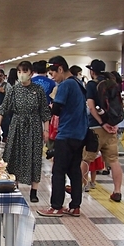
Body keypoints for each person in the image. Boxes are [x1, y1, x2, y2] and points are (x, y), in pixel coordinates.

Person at [0, 61, 51, 203]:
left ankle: (34, 190)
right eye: (19, 71)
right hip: (16, 126)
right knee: (13, 156)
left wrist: (46, 130)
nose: (21, 74)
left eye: (24, 71)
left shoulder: (38, 90)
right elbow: (3, 108)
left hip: (34, 127)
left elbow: (45, 111)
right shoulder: (14, 90)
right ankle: (14, 186)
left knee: (34, 157)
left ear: (31, 73)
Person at [37, 56, 87, 217]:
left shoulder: (65, 85)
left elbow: (57, 110)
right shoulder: (78, 83)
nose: (53, 78)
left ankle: (56, 206)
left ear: (60, 69)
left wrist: (49, 107)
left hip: (66, 134)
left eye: (53, 74)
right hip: (79, 134)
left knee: (58, 170)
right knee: (74, 171)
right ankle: (75, 206)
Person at [85, 60, 124, 201]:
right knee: (114, 160)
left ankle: (80, 185)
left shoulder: (92, 84)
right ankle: (117, 191)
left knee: (86, 158)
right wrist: (112, 123)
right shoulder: (112, 83)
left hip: (95, 128)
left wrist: (102, 123)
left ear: (92, 71)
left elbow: (91, 107)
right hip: (112, 128)